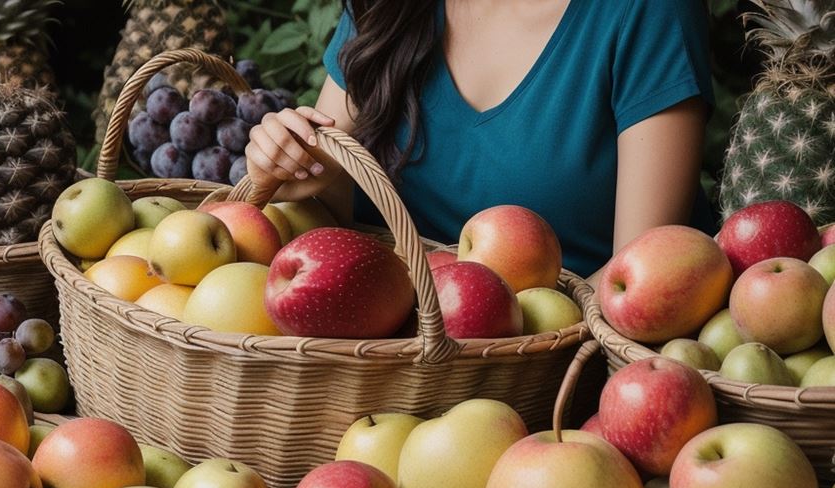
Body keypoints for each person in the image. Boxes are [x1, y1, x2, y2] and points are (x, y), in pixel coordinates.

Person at [244, 0, 717, 284]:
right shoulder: (390, 8)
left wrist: (474, 323)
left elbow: (639, 283)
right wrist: (295, 164)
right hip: (376, 350)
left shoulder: (647, 10)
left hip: (555, 381)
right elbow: (335, 202)